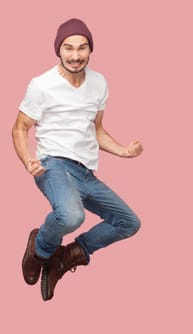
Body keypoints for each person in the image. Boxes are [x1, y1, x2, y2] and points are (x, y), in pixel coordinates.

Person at [12, 18, 143, 301]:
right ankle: (42, 248)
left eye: (82, 48)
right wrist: (27, 160)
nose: (75, 55)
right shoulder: (42, 85)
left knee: (128, 222)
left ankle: (67, 256)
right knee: (72, 215)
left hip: (86, 172)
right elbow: (20, 127)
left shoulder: (99, 82)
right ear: (58, 50)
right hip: (54, 166)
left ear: (90, 49)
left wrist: (122, 150)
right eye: (68, 48)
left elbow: (95, 129)